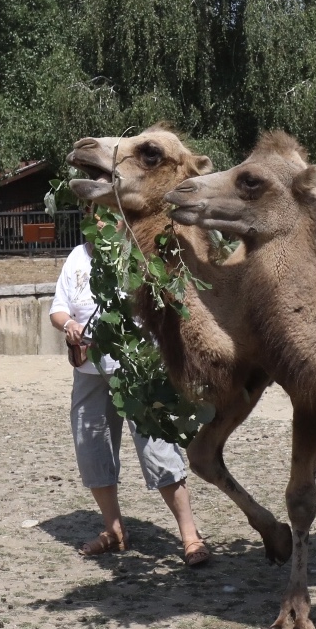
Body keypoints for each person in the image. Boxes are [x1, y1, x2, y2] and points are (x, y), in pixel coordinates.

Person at [49, 223, 211, 566]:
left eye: (108, 216)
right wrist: (69, 325)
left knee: (158, 449)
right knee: (91, 448)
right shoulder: (77, 257)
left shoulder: (138, 257)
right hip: (89, 372)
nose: (99, 224)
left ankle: (190, 536)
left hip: (137, 367)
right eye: (93, 216)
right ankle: (114, 531)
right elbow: (58, 308)